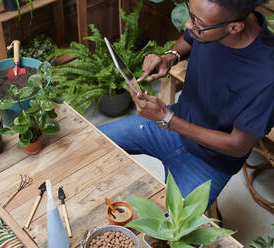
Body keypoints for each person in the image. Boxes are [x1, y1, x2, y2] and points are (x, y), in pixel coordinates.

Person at [98, 0, 274, 207]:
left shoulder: (267, 76)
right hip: (174, 122)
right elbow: (190, 37)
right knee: (93, 143)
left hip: (210, 162)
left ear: (234, 27)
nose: (188, 25)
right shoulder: (213, 22)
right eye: (191, 14)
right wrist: (170, 57)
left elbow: (237, 146)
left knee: (169, 232)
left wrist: (166, 118)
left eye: (197, 22)